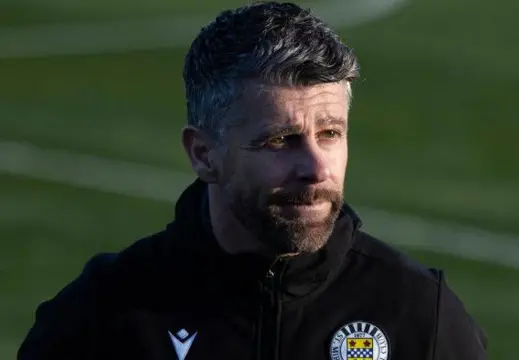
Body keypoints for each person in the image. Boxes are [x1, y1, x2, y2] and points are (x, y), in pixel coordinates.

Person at [18, 2, 487, 359]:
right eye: (281, 140)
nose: (317, 168)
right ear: (203, 154)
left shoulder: (419, 314)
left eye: (330, 134)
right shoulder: (103, 315)